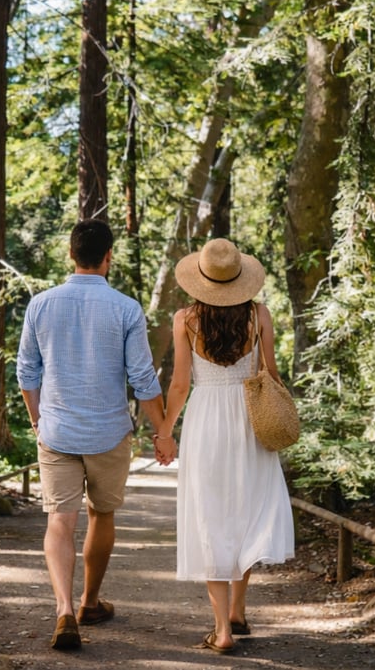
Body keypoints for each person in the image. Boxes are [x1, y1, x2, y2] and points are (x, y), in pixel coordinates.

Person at [16, 219, 176, 651]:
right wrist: (163, 432)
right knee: (102, 515)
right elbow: (144, 379)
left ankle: (64, 610)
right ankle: (89, 601)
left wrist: (37, 418)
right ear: (109, 257)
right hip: (109, 432)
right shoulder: (125, 308)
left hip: (57, 430)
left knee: (59, 521)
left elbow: (26, 372)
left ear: (71, 255)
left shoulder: (41, 305)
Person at [156, 237, 294, 654]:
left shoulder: (186, 319)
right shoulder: (260, 314)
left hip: (206, 419)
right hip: (250, 417)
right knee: (246, 511)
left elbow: (180, 384)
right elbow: (271, 373)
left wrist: (165, 430)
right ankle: (238, 608)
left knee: (211, 516)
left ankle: (222, 629)